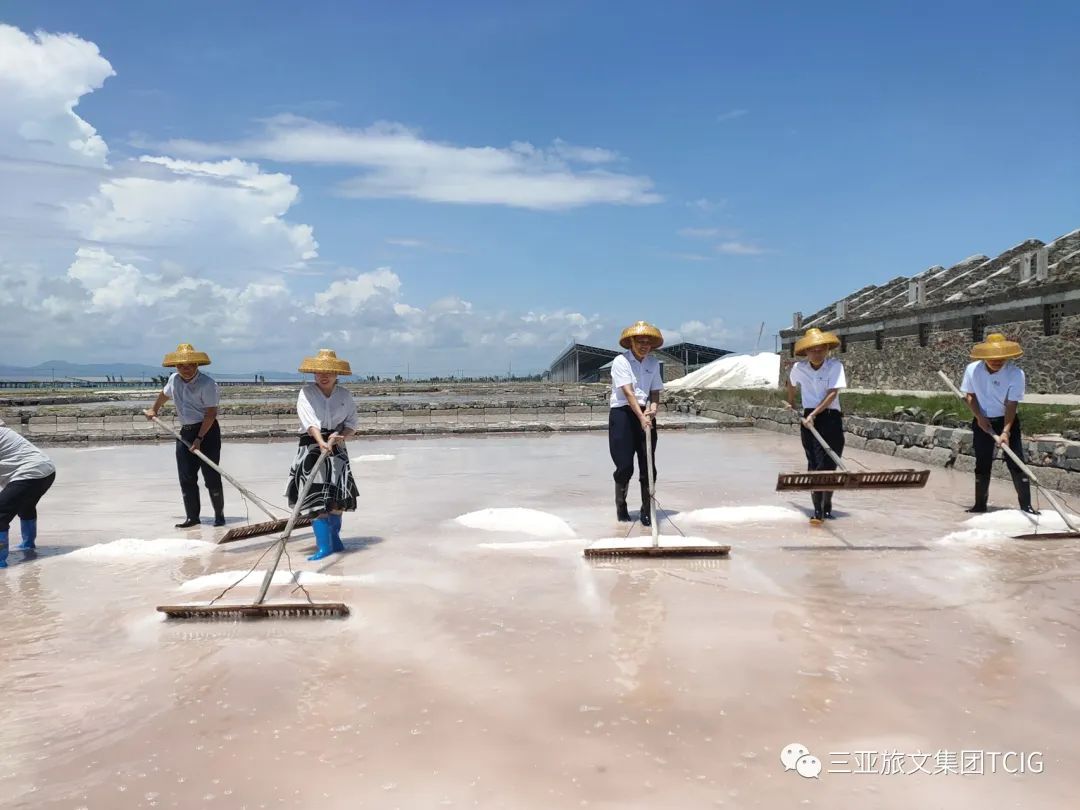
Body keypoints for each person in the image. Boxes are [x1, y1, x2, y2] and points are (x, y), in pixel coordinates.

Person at [287, 349, 360, 561]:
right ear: (313, 374)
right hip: (311, 446)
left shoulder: (345, 395)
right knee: (315, 499)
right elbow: (309, 422)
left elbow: (352, 424)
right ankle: (323, 546)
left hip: (336, 446)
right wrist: (320, 442)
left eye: (328, 371)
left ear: (337, 374)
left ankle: (335, 540)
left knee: (337, 499)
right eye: (319, 372)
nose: (323, 375)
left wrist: (341, 437)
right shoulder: (306, 393)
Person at [144, 343, 225, 528]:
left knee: (211, 475)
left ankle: (219, 516)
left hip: (207, 431)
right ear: (175, 367)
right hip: (186, 431)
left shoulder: (208, 384)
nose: (185, 369)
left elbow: (211, 414)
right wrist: (153, 409)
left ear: (196, 365)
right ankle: (192, 518)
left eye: (189, 366)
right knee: (186, 477)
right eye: (180, 366)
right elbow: (164, 395)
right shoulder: (174, 379)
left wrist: (199, 439)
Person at [959, 333, 1037, 514]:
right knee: (982, 463)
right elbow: (970, 395)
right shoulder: (972, 369)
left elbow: (1012, 404)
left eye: (1001, 358)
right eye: (993, 359)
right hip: (982, 421)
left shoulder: (1015, 374)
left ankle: (1026, 507)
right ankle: (980, 505)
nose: (997, 361)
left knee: (1016, 462)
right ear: (984, 357)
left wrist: (1006, 432)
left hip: (1006, 421)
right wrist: (979, 417)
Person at [785, 327, 847, 523]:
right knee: (814, 465)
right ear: (806, 352)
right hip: (808, 419)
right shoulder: (798, 368)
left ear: (827, 349)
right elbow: (791, 384)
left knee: (829, 465)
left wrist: (814, 413)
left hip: (830, 418)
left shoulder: (835, 366)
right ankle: (817, 513)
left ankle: (826, 507)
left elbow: (832, 393)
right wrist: (792, 402)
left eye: (821, 349)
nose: (817, 353)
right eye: (813, 350)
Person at [609, 321, 664, 526]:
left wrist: (653, 409)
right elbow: (628, 392)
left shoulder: (653, 363)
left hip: (646, 413)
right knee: (624, 466)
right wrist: (640, 417)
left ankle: (646, 510)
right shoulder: (620, 362)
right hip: (623, 413)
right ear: (631, 342)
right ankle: (621, 508)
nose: (644, 346)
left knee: (648, 465)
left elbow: (655, 390)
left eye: (648, 343)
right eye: (640, 342)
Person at [0, 419, 56, 568]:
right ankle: (28, 545)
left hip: (30, 473)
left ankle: (0, 563)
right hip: (46, 471)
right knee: (25, 505)